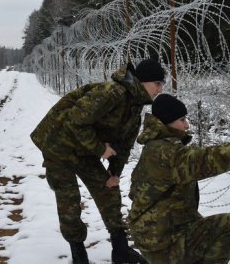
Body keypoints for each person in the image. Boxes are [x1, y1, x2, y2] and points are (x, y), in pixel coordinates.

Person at [31, 59, 166, 264]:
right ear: (143, 81)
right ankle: (78, 252)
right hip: (59, 146)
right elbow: (75, 122)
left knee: (108, 191)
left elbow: (124, 144)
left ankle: (120, 250)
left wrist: (115, 172)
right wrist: (100, 149)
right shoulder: (111, 92)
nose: (160, 89)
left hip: (85, 150)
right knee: (69, 202)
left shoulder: (134, 108)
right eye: (158, 83)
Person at [128, 94, 230, 264]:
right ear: (167, 121)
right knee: (229, 225)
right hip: (161, 245)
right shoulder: (165, 152)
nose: (186, 125)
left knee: (201, 224)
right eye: (181, 119)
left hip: (155, 236)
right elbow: (209, 159)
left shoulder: (156, 146)